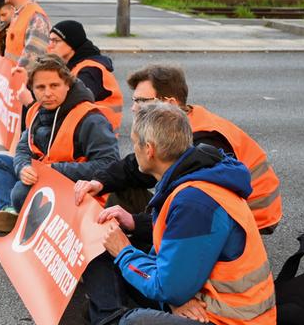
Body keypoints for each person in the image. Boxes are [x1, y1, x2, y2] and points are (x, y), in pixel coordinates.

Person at [79, 102, 276, 325]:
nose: (133, 150)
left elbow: (169, 283)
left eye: (135, 143)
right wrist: (173, 297)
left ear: (149, 150)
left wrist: (125, 252)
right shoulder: (190, 176)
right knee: (100, 250)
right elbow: (171, 262)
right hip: (198, 296)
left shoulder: (195, 201)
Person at [74, 64, 283, 234]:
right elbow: (138, 166)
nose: (134, 107)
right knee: (124, 187)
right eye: (134, 100)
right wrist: (99, 182)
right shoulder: (179, 122)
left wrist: (135, 223)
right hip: (219, 208)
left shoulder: (202, 142)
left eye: (141, 101)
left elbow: (190, 211)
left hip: (250, 216)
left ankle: (135, 258)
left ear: (170, 103)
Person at [0, 54, 120, 232]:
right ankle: (10, 211)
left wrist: (52, 171)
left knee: (19, 192)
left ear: (67, 85)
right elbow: (24, 147)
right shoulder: (36, 110)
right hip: (43, 174)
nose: (47, 93)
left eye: (54, 86)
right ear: (32, 89)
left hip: (77, 186)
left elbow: (109, 164)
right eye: (40, 87)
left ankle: (10, 205)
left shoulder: (90, 118)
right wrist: (23, 168)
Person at [45, 20, 124, 131]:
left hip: (96, 134)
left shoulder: (90, 70)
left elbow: (70, 102)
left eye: (56, 41)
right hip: (88, 130)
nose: (50, 46)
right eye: (50, 40)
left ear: (72, 43)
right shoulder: (73, 65)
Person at [0, 0, 49, 68]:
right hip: (9, 74)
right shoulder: (17, 12)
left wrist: (16, 76)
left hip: (21, 79)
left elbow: (32, 59)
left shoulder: (36, 18)